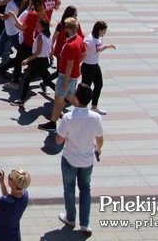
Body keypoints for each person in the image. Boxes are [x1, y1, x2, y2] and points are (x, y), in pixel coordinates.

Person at [55, 83, 104, 235]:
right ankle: (85, 223)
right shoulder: (96, 117)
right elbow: (100, 139)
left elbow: (58, 140)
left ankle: (70, 217)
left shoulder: (68, 117)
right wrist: (97, 148)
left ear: (76, 98)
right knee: (85, 189)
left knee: (69, 189)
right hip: (87, 160)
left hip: (70, 158)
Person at [39, 17, 85, 132]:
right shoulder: (79, 39)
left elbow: (69, 65)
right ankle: (84, 113)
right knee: (69, 96)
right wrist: (77, 64)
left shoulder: (70, 45)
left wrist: (65, 82)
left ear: (69, 29)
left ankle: (52, 123)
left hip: (66, 76)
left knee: (58, 100)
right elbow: (84, 54)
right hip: (73, 75)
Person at [0, 168, 31, 241]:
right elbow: (9, 198)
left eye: (9, 177)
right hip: (14, 236)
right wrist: (2, 182)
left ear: (13, 183)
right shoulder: (25, 195)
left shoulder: (4, 201)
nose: (8, 177)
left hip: (0, 236)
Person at [81, 20, 115, 115]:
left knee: (99, 85)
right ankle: (81, 107)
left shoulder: (98, 38)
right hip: (87, 66)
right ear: (99, 30)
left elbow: (97, 50)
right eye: (104, 31)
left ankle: (94, 107)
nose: (105, 33)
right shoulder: (89, 39)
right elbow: (83, 49)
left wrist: (106, 47)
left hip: (95, 65)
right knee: (85, 88)